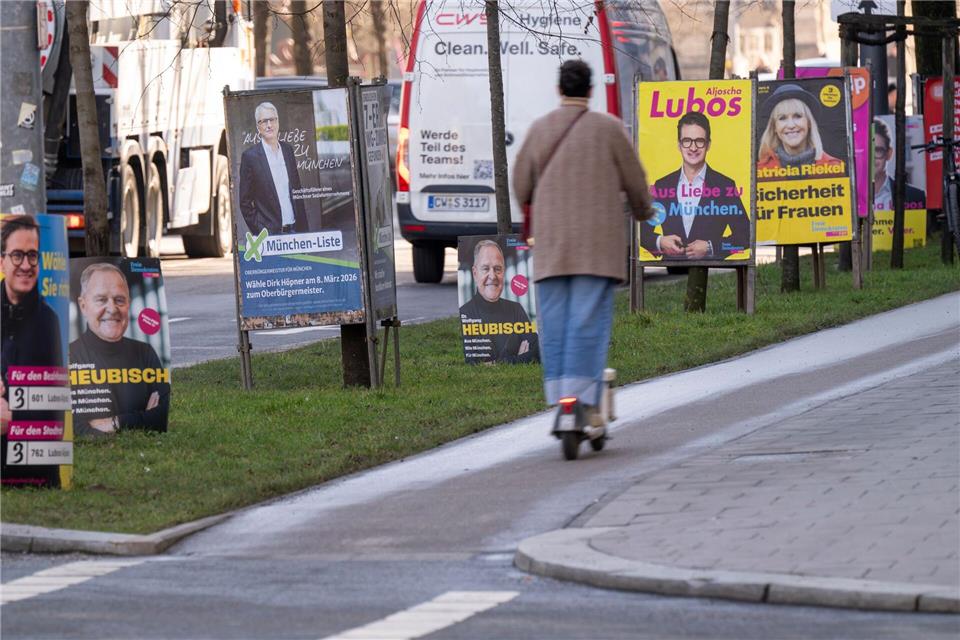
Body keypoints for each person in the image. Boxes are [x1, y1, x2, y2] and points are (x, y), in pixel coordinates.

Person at [513, 60, 652, 422]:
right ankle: (584, 397)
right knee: (587, 322)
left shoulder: (540, 129)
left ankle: (560, 396)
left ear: (559, 90)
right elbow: (636, 182)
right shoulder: (609, 129)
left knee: (555, 322)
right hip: (597, 248)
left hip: (551, 245)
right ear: (591, 91)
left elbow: (521, 185)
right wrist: (642, 211)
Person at [69, 263, 170, 435]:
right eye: (101, 299)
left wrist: (116, 422)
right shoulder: (68, 357)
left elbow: (162, 416)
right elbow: (72, 427)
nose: (112, 308)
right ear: (83, 305)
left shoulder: (144, 353)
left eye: (119, 300)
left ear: (128, 304)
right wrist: (143, 418)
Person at [1, 215, 63, 486]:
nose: (25, 265)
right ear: (1, 260)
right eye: (17, 255)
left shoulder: (49, 321)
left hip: (35, 473)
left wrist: (11, 417)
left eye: (32, 256)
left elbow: (54, 414)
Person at [640, 111, 749, 260]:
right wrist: (660, 242)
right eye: (687, 141)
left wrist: (711, 247)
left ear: (708, 144)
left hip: (711, 273)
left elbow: (745, 236)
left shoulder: (724, 185)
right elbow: (642, 233)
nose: (693, 148)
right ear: (679, 145)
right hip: (672, 273)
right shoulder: (662, 185)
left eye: (699, 141)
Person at [459, 239, 539, 364]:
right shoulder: (464, 314)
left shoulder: (515, 309)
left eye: (497, 269)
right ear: (475, 273)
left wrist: (499, 363)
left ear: (504, 272)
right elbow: (470, 363)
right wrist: (519, 359)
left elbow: (537, 352)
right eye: (485, 269)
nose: (493, 276)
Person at [238, 101, 308, 235]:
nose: (269, 125)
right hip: (270, 236)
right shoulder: (250, 157)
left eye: (272, 120)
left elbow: (297, 193)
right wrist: (261, 231)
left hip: (295, 231)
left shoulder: (288, 151)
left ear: (278, 122)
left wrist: (304, 232)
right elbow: (245, 202)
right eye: (264, 121)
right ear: (258, 126)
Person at [757, 83, 843, 173]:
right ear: (774, 127)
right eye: (782, 118)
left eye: (797, 116)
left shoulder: (834, 167)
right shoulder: (761, 171)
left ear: (809, 122)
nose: (791, 125)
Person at [872, 118, 926, 211]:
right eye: (867, 150)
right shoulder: (846, 197)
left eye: (877, 150)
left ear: (889, 153)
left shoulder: (915, 196)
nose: (871, 157)